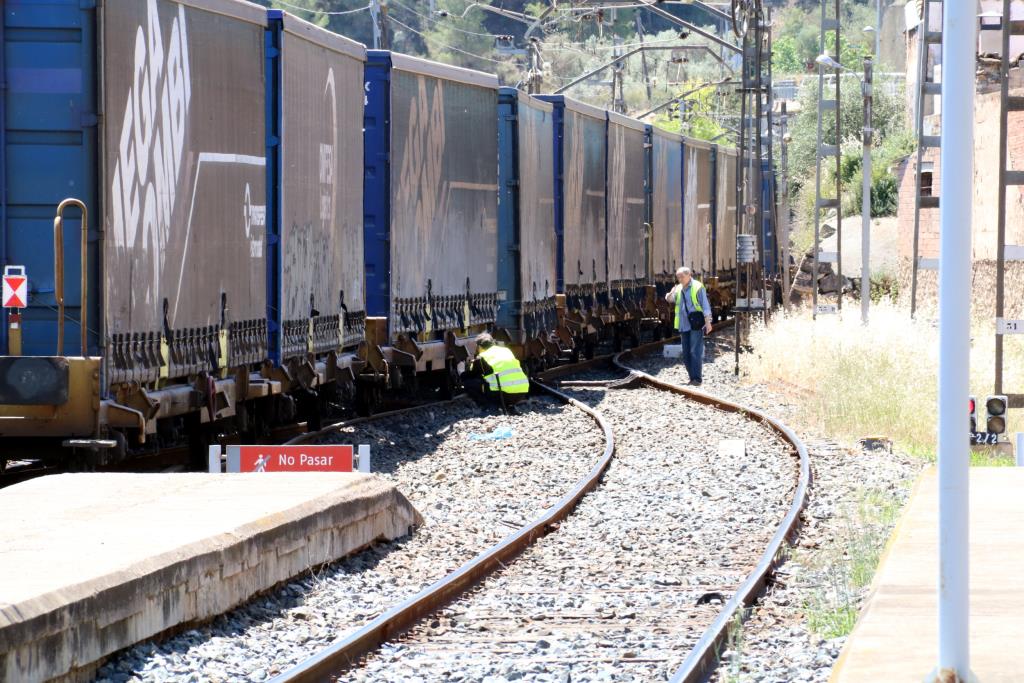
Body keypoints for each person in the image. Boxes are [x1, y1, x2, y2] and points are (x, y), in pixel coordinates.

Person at [664, 267, 713, 386]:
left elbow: (705, 306)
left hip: (696, 324)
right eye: (678, 277)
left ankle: (697, 379)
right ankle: (692, 378)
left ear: (689, 275)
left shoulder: (697, 287)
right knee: (686, 353)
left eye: (682, 276)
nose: (680, 279)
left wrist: (708, 322)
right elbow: (669, 299)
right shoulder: (678, 288)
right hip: (683, 324)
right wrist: (671, 292)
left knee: (695, 351)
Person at [460, 333, 530, 414]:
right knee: (494, 382)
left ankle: (488, 407)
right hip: (521, 393)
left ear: (479, 347)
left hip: (504, 394)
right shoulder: (506, 351)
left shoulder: (483, 357)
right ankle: (509, 406)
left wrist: (461, 371)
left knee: (469, 384)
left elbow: (471, 375)